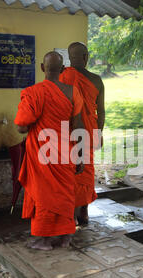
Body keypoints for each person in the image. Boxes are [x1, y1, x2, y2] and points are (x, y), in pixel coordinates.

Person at [14, 51, 85, 250]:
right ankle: (65, 238)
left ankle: (43, 240)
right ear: (63, 70)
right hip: (65, 151)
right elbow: (78, 126)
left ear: (42, 68)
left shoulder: (33, 92)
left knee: (43, 195)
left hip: (42, 153)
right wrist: (79, 155)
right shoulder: (74, 92)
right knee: (64, 194)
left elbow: (21, 126)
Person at [59, 42, 105, 226]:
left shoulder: (62, 77)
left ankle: (69, 213)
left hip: (67, 132)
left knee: (68, 172)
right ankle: (84, 212)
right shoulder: (96, 80)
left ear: (70, 58)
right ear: (86, 57)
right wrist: (98, 133)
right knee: (85, 171)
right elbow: (101, 112)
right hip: (88, 132)